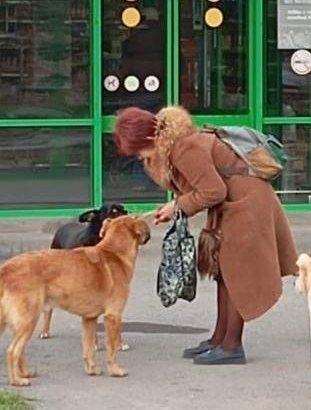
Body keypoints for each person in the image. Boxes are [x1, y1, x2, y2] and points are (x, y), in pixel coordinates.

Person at [113, 105, 298, 365]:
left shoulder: (182, 148)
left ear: (148, 139)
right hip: (235, 202)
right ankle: (219, 339)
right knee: (223, 271)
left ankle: (232, 346)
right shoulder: (175, 145)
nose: (139, 157)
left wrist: (177, 206)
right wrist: (176, 205)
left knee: (236, 272)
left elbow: (213, 191)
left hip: (245, 204)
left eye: (138, 151)